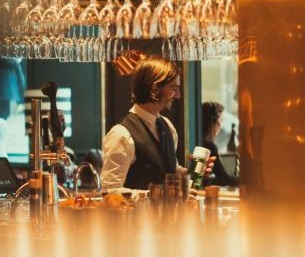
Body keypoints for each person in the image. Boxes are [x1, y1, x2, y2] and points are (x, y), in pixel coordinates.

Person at [101, 55, 213, 195]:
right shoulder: (121, 134)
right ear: (154, 89)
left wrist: (192, 173)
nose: (178, 95)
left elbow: (169, 169)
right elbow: (109, 191)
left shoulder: (167, 126)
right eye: (174, 88)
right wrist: (157, 195)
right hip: (137, 217)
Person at [202, 101, 238, 187]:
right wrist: (246, 180)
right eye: (221, 120)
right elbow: (224, 178)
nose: (220, 125)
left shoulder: (200, 142)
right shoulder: (209, 146)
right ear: (216, 122)